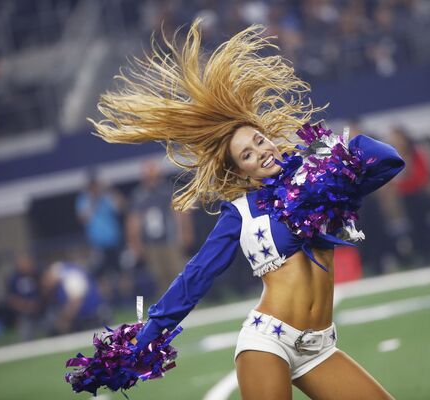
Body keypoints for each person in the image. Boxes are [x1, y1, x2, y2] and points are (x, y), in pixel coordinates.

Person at [87, 20, 404, 398]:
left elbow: (388, 161)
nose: (261, 152)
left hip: (320, 348)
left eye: (259, 140)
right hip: (267, 343)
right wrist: (143, 342)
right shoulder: (241, 212)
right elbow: (195, 278)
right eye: (247, 155)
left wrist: (330, 155)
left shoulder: (321, 185)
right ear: (242, 171)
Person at [126, 159, 194, 297]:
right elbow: (133, 221)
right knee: (159, 277)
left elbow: (181, 213)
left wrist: (185, 232)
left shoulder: (167, 191)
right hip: (150, 243)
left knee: (178, 272)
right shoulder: (139, 196)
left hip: (170, 239)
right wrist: (134, 243)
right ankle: (168, 308)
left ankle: (188, 302)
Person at [388, 126, 430, 267]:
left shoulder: (415, 152)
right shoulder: (394, 155)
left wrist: (410, 182)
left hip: (418, 193)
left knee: (424, 223)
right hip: (405, 196)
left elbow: (422, 174)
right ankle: (421, 253)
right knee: (413, 226)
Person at [75, 174, 125, 304]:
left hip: (114, 241)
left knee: (121, 273)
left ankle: (127, 302)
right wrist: (93, 201)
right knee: (101, 276)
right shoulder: (84, 200)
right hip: (98, 244)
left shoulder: (106, 197)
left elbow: (120, 206)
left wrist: (109, 190)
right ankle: (107, 304)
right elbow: (83, 218)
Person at [42, 261, 104, 335]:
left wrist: (63, 321)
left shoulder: (71, 277)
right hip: (75, 310)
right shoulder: (60, 269)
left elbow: (76, 302)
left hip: (86, 312)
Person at [7, 250, 42, 341]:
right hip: (25, 313)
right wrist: (26, 306)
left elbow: (43, 291)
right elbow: (11, 299)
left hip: (41, 310)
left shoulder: (36, 275)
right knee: (26, 335)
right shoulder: (14, 279)